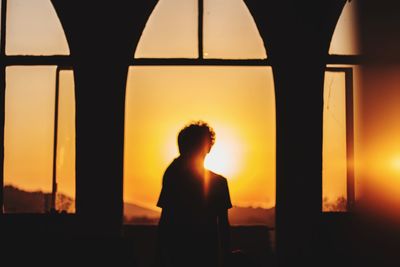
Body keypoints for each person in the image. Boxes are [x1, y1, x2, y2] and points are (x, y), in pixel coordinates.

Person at [156, 121, 232, 267]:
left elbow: (165, 220)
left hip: (177, 254)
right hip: (206, 255)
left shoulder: (173, 175)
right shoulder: (219, 183)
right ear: (208, 147)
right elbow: (223, 227)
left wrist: (159, 257)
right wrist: (226, 256)